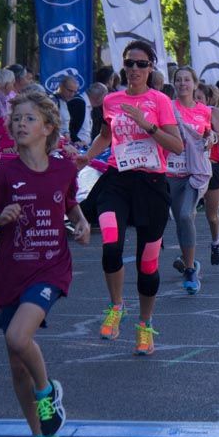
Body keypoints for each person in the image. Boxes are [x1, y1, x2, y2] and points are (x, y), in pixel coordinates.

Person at [0, 91, 90, 437]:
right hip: (11, 272)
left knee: (18, 336)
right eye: (16, 118)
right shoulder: (2, 173)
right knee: (16, 360)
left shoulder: (64, 169)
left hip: (50, 266)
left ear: (48, 128)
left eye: (29, 119)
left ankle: (48, 392)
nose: (20, 124)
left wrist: (81, 221)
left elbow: (68, 201)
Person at [76, 41, 183, 355]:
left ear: (150, 68)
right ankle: (116, 306)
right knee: (111, 243)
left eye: (140, 64)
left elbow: (176, 146)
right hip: (117, 181)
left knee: (147, 265)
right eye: (129, 64)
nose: (134, 69)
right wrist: (86, 156)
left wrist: (145, 123)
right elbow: (106, 135)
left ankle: (145, 325)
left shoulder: (160, 101)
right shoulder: (111, 100)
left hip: (151, 185)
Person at [166, 67, 213, 294]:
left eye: (186, 80)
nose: (182, 83)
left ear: (195, 84)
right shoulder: (167, 107)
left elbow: (208, 134)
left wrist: (210, 138)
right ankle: (189, 261)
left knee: (185, 215)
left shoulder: (204, 111)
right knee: (179, 220)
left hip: (193, 173)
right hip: (168, 172)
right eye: (178, 80)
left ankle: (190, 270)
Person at [195, 83, 219, 264]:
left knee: (212, 215)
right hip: (191, 168)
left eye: (199, 98)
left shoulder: (212, 111)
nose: (196, 101)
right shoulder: (182, 112)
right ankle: (187, 259)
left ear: (207, 99)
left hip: (212, 166)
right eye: (194, 97)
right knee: (187, 214)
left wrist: (210, 134)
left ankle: (216, 242)